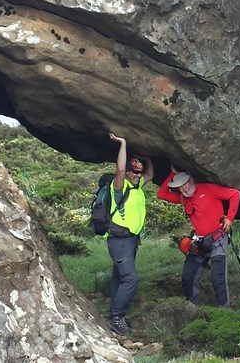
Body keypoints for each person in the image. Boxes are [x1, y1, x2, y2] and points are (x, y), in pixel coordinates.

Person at [158, 167, 240, 308]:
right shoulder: (183, 198)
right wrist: (172, 173)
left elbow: (235, 194)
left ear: (191, 180)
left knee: (217, 277)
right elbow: (162, 194)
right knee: (188, 277)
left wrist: (230, 218)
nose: (184, 188)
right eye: (179, 187)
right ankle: (193, 308)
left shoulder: (208, 189)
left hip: (218, 240)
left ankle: (224, 311)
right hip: (199, 242)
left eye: (185, 184)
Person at [105, 132, 152, 336]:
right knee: (130, 279)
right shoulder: (120, 185)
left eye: (138, 172)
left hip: (131, 240)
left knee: (119, 277)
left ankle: (115, 312)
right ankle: (116, 316)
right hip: (119, 240)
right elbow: (121, 168)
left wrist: (150, 160)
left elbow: (150, 175)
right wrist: (123, 144)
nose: (137, 175)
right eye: (134, 171)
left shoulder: (137, 186)